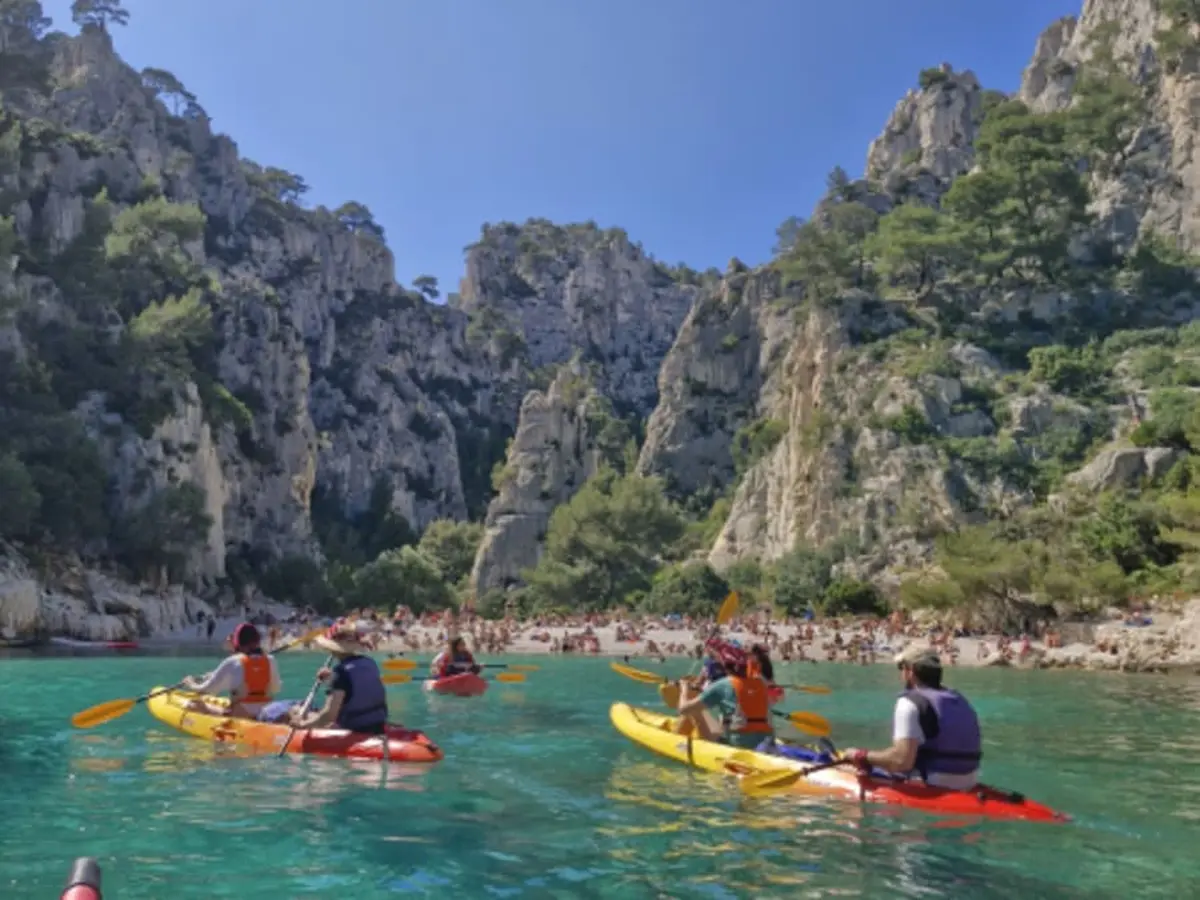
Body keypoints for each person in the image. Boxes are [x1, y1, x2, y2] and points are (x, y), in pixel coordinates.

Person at [843, 645, 982, 789]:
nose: (900, 673)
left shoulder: (910, 703)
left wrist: (860, 755)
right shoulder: (959, 698)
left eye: (901, 667)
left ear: (910, 671)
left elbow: (901, 761)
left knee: (851, 769)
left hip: (931, 782)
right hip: (969, 782)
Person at [289, 624, 389, 734]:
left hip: (354, 728)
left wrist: (303, 725)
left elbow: (329, 716)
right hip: (376, 724)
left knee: (295, 710)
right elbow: (358, 684)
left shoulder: (340, 673)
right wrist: (330, 679)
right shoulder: (369, 662)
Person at [181, 622, 281, 720]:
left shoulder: (233, 661)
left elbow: (206, 690)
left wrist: (190, 683)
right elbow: (276, 689)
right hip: (266, 712)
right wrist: (213, 675)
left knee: (194, 704)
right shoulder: (270, 660)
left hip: (241, 714)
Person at [675, 654, 775, 749]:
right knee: (725, 716)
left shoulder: (722, 684)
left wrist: (684, 690)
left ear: (725, 667)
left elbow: (682, 709)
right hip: (767, 740)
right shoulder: (761, 682)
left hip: (739, 743)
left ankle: (680, 740)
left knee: (695, 710)